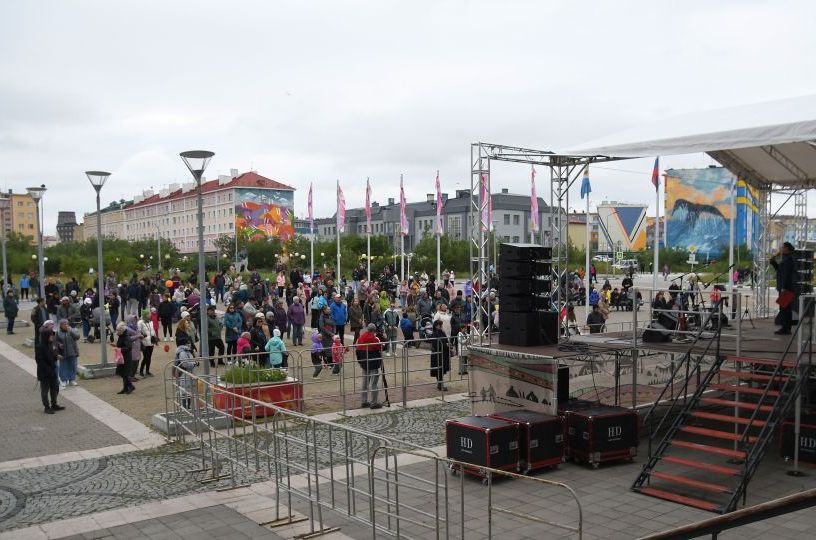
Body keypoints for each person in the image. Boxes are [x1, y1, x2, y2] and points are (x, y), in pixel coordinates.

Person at [36, 320, 64, 414]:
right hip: (44, 373)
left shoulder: (50, 345)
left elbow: (51, 355)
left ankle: (54, 404)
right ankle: (47, 407)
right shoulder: (40, 347)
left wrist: (56, 357)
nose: (52, 337)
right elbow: (40, 361)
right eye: (51, 336)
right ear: (46, 336)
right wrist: (48, 370)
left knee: (55, 387)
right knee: (45, 391)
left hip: (52, 370)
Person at [770, 241, 797, 335]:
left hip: (786, 288)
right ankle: (785, 328)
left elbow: (786, 274)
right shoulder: (786, 258)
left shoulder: (789, 259)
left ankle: (786, 328)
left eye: (782, 247)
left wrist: (783, 287)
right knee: (784, 307)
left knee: (785, 308)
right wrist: (773, 263)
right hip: (785, 287)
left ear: (786, 248)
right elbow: (781, 271)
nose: (781, 249)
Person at [356, 323, 383, 409]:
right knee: (374, 383)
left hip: (364, 363)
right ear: (374, 330)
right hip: (373, 363)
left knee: (365, 382)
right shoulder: (374, 339)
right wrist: (383, 338)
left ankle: (364, 401)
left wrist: (360, 362)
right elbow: (381, 347)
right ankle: (374, 403)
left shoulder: (360, 338)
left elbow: (357, 350)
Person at [55, 318, 81, 388]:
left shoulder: (73, 330)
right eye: (64, 324)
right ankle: (64, 380)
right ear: (61, 325)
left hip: (72, 351)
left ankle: (72, 380)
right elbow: (55, 341)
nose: (66, 325)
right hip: (63, 352)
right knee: (63, 366)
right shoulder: (58, 332)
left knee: (72, 366)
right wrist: (59, 344)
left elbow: (77, 337)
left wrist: (71, 331)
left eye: (67, 324)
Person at [173, 335, 197, 409]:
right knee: (184, 391)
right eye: (188, 343)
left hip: (187, 374)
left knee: (188, 391)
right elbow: (185, 364)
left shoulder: (186, 351)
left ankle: (187, 406)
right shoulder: (182, 352)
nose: (190, 344)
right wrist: (194, 364)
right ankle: (185, 407)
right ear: (184, 344)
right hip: (184, 374)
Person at [114, 322, 136, 395]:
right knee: (122, 373)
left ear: (122, 330)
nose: (117, 332)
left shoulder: (126, 337)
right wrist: (116, 346)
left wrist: (119, 349)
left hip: (126, 358)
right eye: (117, 330)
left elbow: (129, 348)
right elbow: (121, 345)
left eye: (118, 330)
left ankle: (129, 387)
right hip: (121, 357)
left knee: (126, 374)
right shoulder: (121, 336)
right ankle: (126, 387)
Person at [430, 320, 450, 391]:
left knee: (442, 370)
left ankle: (440, 384)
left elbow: (446, 341)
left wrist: (448, 345)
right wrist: (445, 345)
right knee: (438, 370)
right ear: (436, 326)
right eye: (439, 325)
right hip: (437, 354)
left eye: (441, 324)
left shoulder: (442, 332)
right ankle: (440, 384)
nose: (441, 326)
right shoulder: (434, 334)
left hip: (444, 354)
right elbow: (436, 344)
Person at [138, 309, 157, 377]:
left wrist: (155, 337)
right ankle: (141, 371)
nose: (150, 315)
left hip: (151, 342)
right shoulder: (140, 322)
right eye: (148, 314)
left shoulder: (150, 322)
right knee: (146, 357)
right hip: (144, 342)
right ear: (145, 315)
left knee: (149, 357)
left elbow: (153, 331)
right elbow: (138, 332)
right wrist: (142, 336)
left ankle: (147, 371)